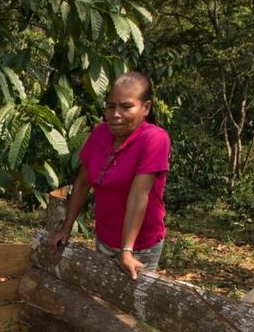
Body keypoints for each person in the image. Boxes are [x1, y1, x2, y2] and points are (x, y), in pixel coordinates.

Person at [47, 72, 171, 280]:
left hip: (140, 245)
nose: (115, 114)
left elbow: (139, 196)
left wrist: (126, 251)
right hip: (105, 237)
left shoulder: (154, 139)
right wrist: (66, 229)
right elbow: (82, 183)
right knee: (105, 300)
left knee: (134, 306)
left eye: (126, 107)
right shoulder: (100, 134)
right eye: (110, 106)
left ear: (146, 108)